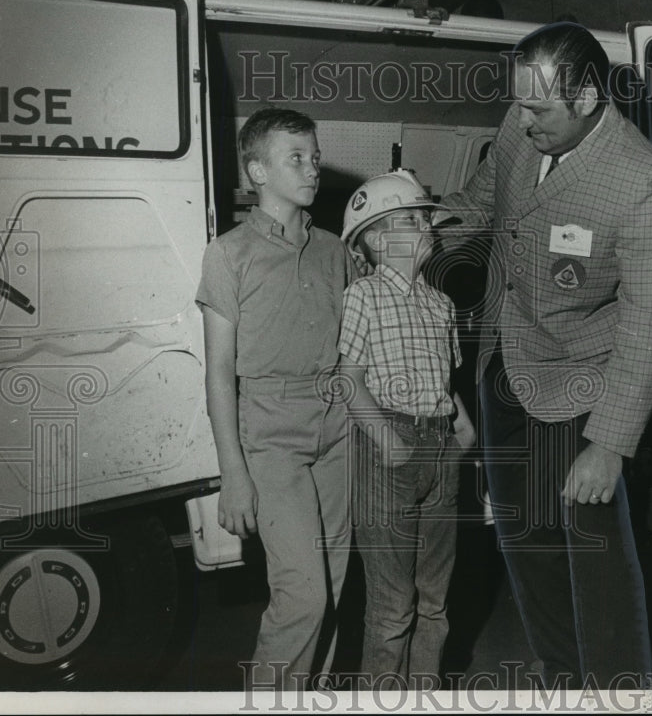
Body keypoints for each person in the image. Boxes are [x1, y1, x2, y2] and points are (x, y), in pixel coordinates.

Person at [435, 23, 652, 689]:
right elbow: (482, 200)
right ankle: (566, 685)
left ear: (586, 95)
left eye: (540, 109)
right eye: (519, 104)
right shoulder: (525, 121)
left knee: (595, 555)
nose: (524, 120)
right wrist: (423, 225)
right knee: (526, 545)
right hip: (505, 365)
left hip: (583, 383)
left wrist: (609, 444)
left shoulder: (642, 184)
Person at [195, 107, 355, 689]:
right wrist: (232, 474)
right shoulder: (229, 255)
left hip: (338, 433)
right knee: (304, 596)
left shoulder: (336, 251)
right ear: (258, 170)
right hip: (270, 437)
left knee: (333, 590)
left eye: (314, 157)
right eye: (297, 158)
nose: (312, 168)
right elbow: (217, 373)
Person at [337, 170, 476, 688]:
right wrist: (388, 440)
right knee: (393, 605)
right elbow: (349, 381)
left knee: (435, 602)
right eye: (411, 219)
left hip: (440, 445)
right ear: (374, 239)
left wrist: (463, 429)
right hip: (389, 449)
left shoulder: (441, 304)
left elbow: (445, 376)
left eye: (426, 219)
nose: (427, 228)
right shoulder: (363, 297)